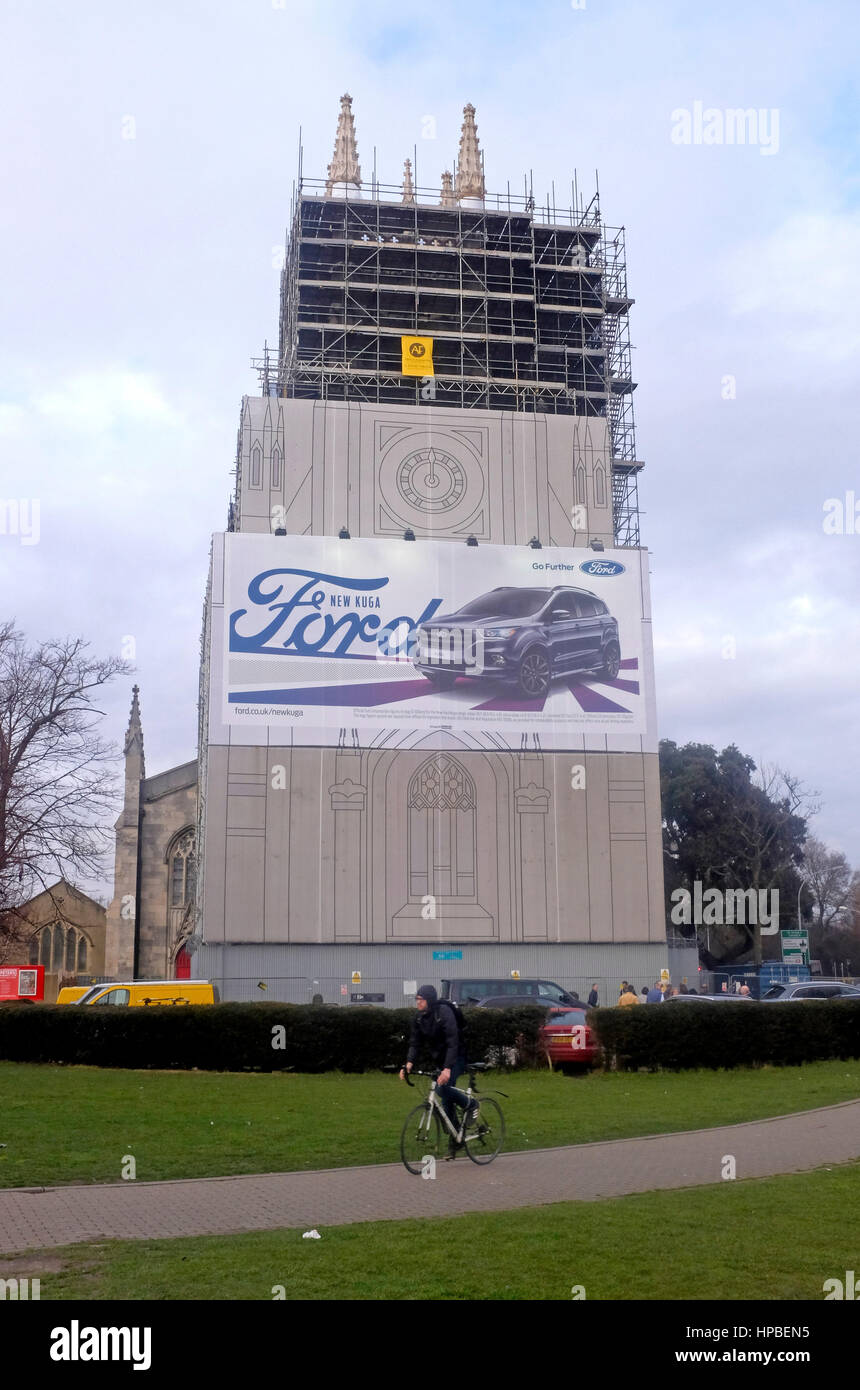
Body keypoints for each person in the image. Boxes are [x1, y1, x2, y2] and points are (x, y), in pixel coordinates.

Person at [400, 986, 476, 1156]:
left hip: (456, 1056)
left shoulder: (444, 1012)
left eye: (421, 999)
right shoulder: (419, 1018)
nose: (418, 1002)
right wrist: (409, 1063)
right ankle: (457, 1137)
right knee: (445, 1099)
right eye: (417, 999)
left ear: (429, 1000)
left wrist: (447, 1068)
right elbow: (415, 1042)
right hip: (441, 1059)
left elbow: (452, 1041)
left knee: (443, 1089)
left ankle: (471, 1105)